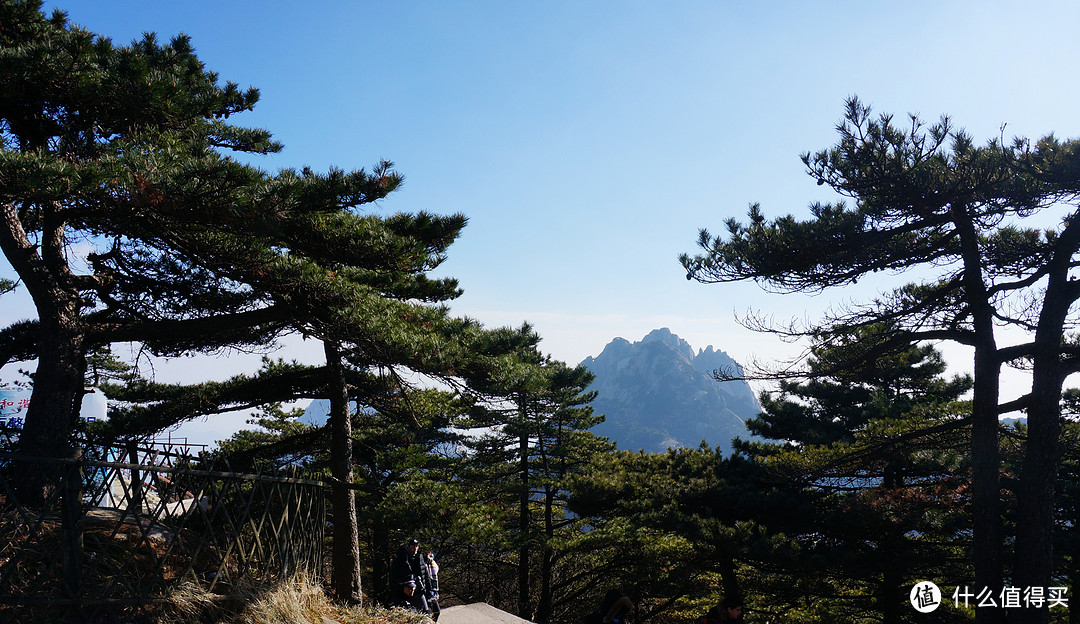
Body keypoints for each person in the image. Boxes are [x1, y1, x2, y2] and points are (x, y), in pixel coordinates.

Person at [391, 538, 431, 614]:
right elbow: (394, 577)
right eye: (412, 547)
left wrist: (429, 589)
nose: (414, 549)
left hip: (419, 590)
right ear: (408, 547)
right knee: (407, 613)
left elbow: (425, 574)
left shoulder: (420, 557)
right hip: (404, 592)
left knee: (426, 612)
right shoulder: (400, 559)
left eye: (416, 546)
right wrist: (402, 587)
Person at [424, 549, 441, 621]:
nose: (429, 555)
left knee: (436, 612)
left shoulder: (432, 562)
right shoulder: (421, 562)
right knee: (425, 614)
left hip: (433, 591)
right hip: (424, 590)